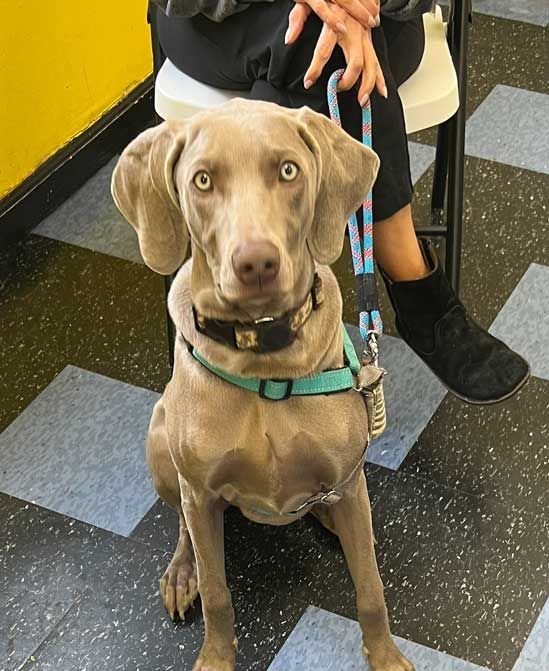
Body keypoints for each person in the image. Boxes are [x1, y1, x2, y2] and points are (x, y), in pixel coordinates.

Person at [152, 0, 529, 404]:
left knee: (322, 47)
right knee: (319, 43)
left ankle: (259, 311)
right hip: (220, 21)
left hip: (377, 21)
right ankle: (418, 294)